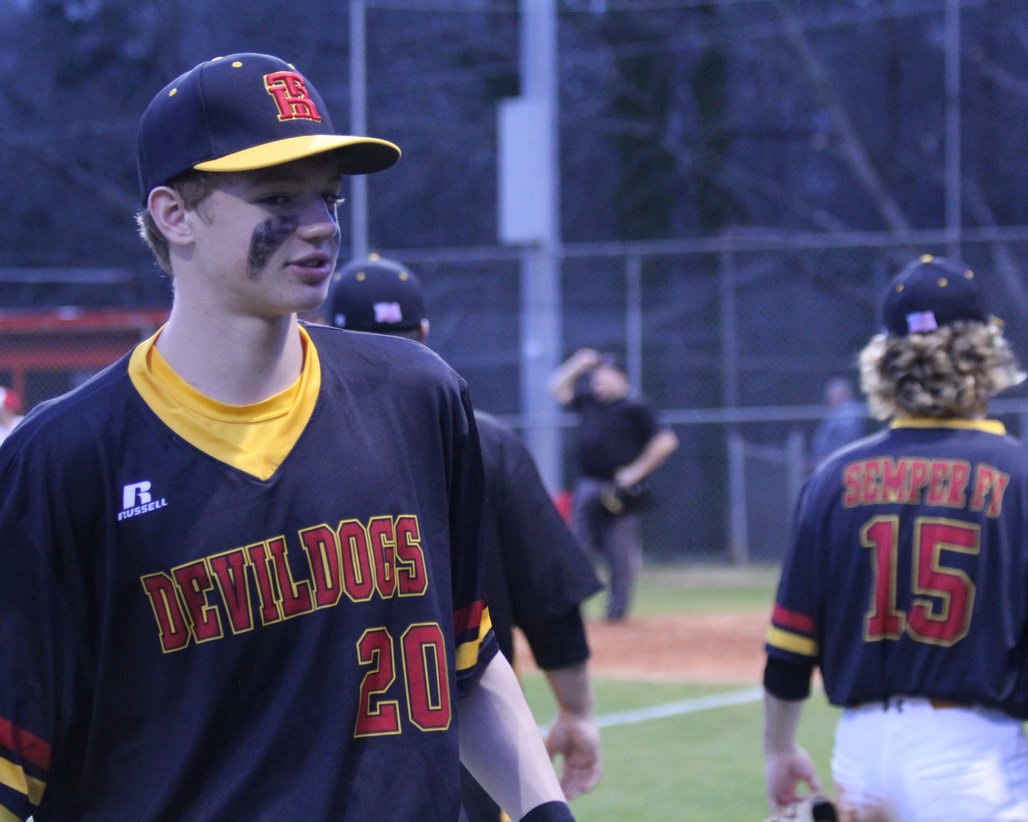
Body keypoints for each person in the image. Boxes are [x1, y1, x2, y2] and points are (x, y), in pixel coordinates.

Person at [0, 52, 572, 822]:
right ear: (173, 215)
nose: (322, 225)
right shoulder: (63, 462)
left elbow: (466, 661)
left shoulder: (417, 398)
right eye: (277, 197)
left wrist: (546, 813)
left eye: (327, 197)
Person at [763, 255, 1028, 821]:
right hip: (973, 755)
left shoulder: (831, 479)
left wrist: (778, 747)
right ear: (984, 355)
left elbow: (789, 652)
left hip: (862, 749)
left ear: (885, 363)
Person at [325, 254, 605, 820]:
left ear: (326, 334)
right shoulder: (485, 440)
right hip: (466, 741)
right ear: (425, 333)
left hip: (335, 763)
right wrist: (576, 712)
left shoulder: (297, 451)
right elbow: (549, 596)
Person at [548, 348, 678, 622]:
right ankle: (573, 607)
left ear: (620, 378)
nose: (597, 385)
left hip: (621, 490)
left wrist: (636, 471)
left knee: (620, 552)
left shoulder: (636, 407)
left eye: (603, 379)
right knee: (576, 548)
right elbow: (557, 389)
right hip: (588, 484)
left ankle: (617, 612)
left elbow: (666, 442)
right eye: (595, 380)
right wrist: (577, 365)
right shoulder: (590, 402)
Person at [808, 375, 867, 471]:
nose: (829, 397)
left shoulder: (850, 412)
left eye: (834, 394)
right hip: (828, 462)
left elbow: (847, 437)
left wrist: (827, 458)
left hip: (840, 463)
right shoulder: (834, 411)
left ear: (845, 394)